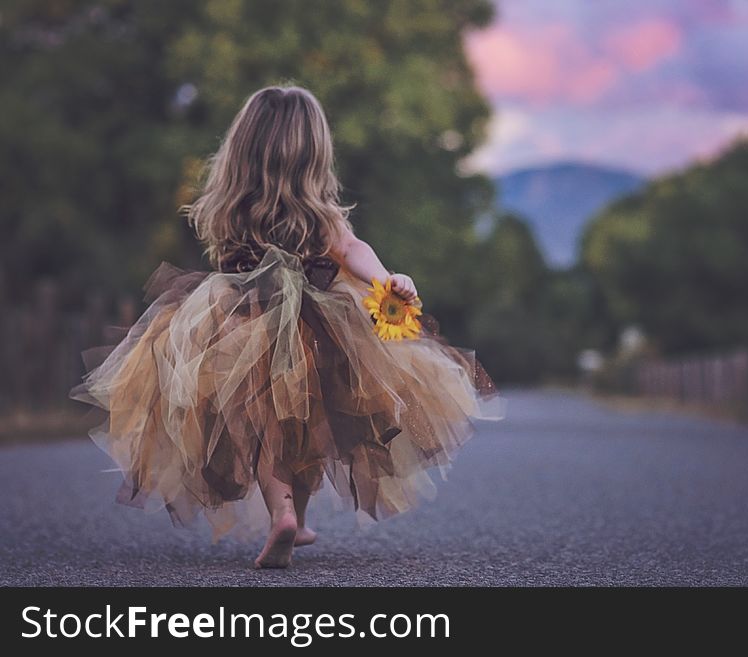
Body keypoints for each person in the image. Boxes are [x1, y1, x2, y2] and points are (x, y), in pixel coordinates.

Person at [69, 84, 504, 569]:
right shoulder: (318, 213)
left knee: (260, 425)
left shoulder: (229, 206)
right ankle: (293, 514)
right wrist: (387, 280)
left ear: (241, 150)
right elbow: (353, 251)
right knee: (308, 425)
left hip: (234, 324)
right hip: (319, 328)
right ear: (314, 153)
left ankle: (284, 516)